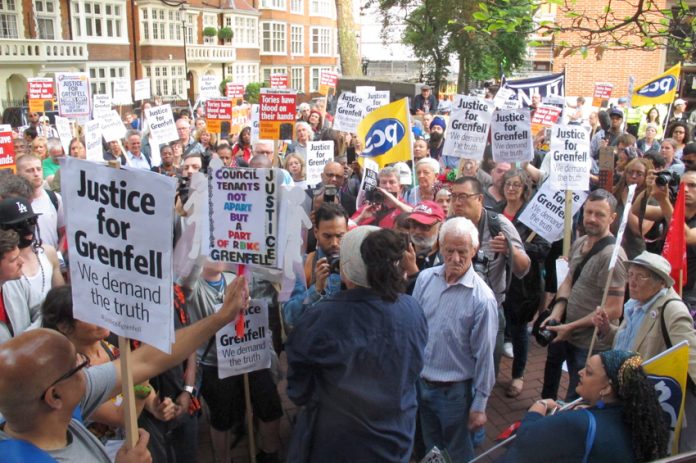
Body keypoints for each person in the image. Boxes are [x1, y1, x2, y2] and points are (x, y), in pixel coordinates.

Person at [0, 273, 250, 462]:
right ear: (54, 396)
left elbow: (145, 361)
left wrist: (221, 317)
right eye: (75, 367)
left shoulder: (62, 409)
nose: (85, 367)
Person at [286, 227, 428, 462]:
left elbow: (298, 390)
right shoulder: (412, 310)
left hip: (338, 444)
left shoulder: (321, 319)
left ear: (345, 270)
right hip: (396, 439)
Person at [413, 217, 498, 461]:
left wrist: (479, 405)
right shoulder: (425, 279)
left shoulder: (482, 299)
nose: (456, 259)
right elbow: (417, 329)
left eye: (463, 251)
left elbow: (485, 356)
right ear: (439, 247)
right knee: (431, 449)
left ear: (474, 249)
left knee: (457, 452)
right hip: (422, 383)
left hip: (455, 394)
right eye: (449, 251)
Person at [593, 251, 696, 451]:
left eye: (641, 277)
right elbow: (630, 342)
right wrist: (607, 329)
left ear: (661, 283)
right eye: (630, 275)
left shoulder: (672, 310)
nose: (632, 282)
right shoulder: (634, 304)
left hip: (656, 401)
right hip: (628, 394)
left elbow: (692, 358)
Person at [185, 262, 282, 463]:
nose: (219, 256)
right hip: (215, 365)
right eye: (213, 250)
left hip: (250, 356)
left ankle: (270, 453)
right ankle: (223, 459)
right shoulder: (193, 286)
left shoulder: (234, 279)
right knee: (222, 417)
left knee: (270, 404)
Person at [502, 350, 669, 462]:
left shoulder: (578, 423)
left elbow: (525, 439)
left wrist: (538, 408)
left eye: (589, 372)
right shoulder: (635, 417)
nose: (580, 372)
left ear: (607, 388)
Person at [541, 189, 628, 401]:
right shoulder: (580, 242)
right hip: (566, 331)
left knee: (579, 394)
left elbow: (614, 309)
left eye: (599, 214)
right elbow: (569, 280)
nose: (591, 218)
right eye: (588, 212)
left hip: (590, 344)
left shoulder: (613, 257)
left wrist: (570, 326)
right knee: (552, 376)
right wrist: (557, 313)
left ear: (613, 218)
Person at [449, 176, 530, 376]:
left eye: (464, 197)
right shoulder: (450, 224)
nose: (457, 202)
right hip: (456, 308)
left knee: (486, 371)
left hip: (489, 311)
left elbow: (524, 268)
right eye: (454, 196)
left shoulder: (498, 225)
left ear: (480, 199)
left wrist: (510, 250)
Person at [495, 170, 550, 397]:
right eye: (508, 184)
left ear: (525, 188)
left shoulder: (533, 215)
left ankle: (518, 375)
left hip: (523, 282)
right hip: (495, 278)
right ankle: (492, 371)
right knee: (496, 328)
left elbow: (543, 249)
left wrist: (514, 248)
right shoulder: (494, 211)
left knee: (518, 331)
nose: (511, 188)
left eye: (517, 185)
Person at [283, 203, 348, 329]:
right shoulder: (300, 265)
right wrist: (316, 289)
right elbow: (289, 316)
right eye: (327, 236)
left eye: (340, 236)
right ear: (316, 232)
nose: (334, 243)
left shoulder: (357, 262)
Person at [15, 154, 64, 249]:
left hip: (52, 260)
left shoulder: (54, 198)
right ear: (18, 174)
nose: (36, 174)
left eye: (39, 169)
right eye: (30, 170)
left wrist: (59, 255)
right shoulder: (15, 204)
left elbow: (64, 232)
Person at [612, 158, 654, 259]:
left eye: (639, 174)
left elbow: (639, 230)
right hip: (614, 251)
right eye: (630, 172)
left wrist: (628, 202)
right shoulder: (617, 192)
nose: (633, 176)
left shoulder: (651, 198)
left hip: (636, 254)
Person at [0, 229, 29, 344]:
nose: (21, 262)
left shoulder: (17, 281)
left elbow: (42, 309)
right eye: (14, 260)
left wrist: (25, 339)